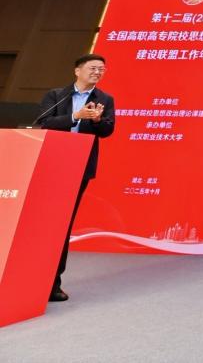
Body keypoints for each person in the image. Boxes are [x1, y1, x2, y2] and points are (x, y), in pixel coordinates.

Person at [36, 53, 115, 302]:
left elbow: (107, 130)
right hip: (49, 165)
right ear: (77, 71)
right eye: (93, 68)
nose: (97, 72)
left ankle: (53, 284)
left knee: (63, 224)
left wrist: (98, 120)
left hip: (79, 167)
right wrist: (75, 117)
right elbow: (44, 123)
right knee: (40, 222)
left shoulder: (104, 99)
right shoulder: (56, 95)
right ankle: (27, 278)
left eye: (101, 69)